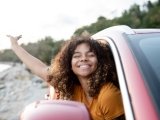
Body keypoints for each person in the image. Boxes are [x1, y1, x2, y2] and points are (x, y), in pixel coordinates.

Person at [7, 35, 125, 120]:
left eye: (90, 55)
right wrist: (15, 46)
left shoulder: (108, 95)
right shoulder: (69, 86)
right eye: (77, 56)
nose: (83, 59)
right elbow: (40, 68)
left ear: (99, 61)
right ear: (69, 64)